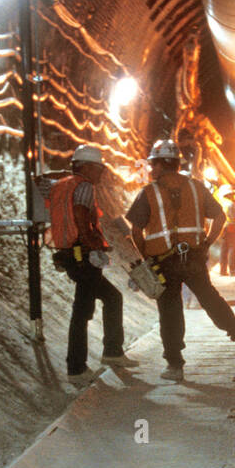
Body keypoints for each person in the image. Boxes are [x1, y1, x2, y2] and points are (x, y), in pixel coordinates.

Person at [127, 139, 235, 382]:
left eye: (153, 164)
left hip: (162, 262)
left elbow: (135, 231)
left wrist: (146, 259)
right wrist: (206, 243)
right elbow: (219, 217)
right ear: (176, 163)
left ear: (162, 165)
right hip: (193, 257)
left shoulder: (149, 192)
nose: (151, 169)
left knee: (170, 311)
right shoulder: (197, 188)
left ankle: (175, 366)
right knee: (210, 298)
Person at [44, 145, 137, 386]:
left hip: (68, 252)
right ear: (85, 167)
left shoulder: (60, 185)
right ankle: (76, 368)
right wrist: (93, 246)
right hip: (82, 255)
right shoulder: (83, 186)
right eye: (98, 168)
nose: (101, 174)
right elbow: (81, 217)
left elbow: (46, 191)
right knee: (82, 311)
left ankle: (112, 352)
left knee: (111, 298)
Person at [217, 186, 235, 276]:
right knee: (232, 249)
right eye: (231, 194)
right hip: (231, 228)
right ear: (229, 194)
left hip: (222, 229)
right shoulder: (230, 204)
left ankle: (222, 271)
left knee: (223, 249)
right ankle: (232, 271)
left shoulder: (219, 203)